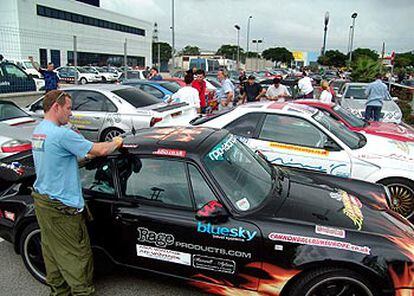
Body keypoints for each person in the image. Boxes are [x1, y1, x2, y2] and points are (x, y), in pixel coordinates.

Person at [31, 90, 123, 295]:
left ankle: (59, 292)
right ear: (56, 107)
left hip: (44, 203)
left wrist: (84, 157)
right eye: (69, 108)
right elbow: (100, 150)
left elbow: (57, 159)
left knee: (53, 255)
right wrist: (116, 142)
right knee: (77, 259)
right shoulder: (61, 133)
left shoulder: (39, 131)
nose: (71, 114)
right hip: (62, 208)